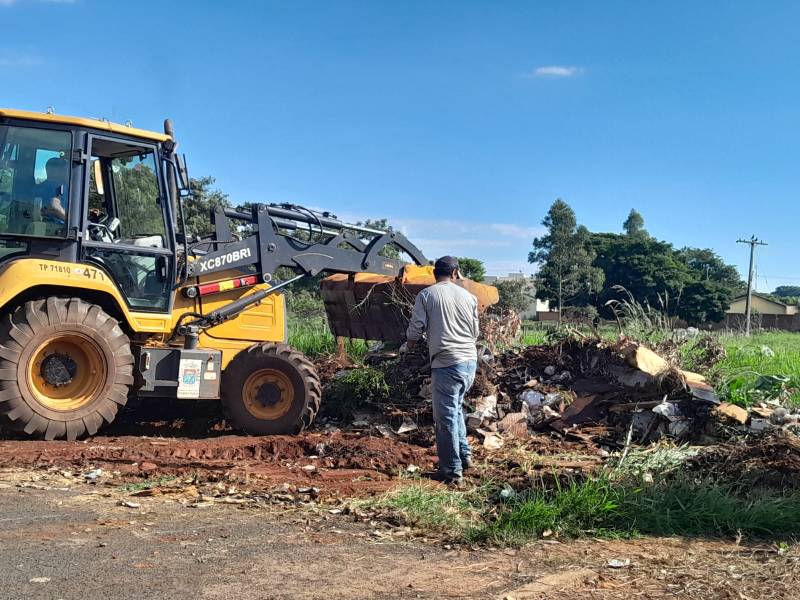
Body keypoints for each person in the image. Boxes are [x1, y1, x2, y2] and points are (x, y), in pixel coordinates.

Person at [406, 256, 480, 486]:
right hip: (469, 362)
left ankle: (452, 472)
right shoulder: (469, 297)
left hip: (447, 364)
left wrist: (408, 345)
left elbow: (416, 328)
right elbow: (475, 332)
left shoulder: (427, 295)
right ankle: (465, 456)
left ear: (434, 274)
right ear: (456, 273)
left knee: (444, 419)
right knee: (456, 409)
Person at [33, 157, 68, 224]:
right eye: (63, 170)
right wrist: (58, 209)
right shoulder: (69, 190)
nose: (66, 172)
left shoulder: (36, 189)